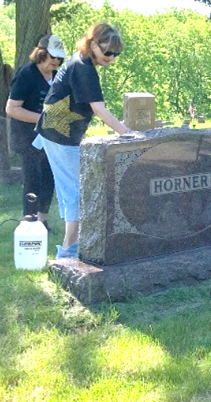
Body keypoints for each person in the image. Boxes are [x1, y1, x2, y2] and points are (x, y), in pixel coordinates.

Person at [34, 22, 135, 258]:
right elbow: (98, 108)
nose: (111, 57)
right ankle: (68, 250)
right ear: (92, 44)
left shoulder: (81, 61)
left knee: (72, 191)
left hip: (56, 134)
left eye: (116, 54)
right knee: (75, 193)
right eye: (107, 51)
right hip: (59, 137)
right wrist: (128, 134)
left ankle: (73, 245)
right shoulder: (83, 67)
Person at [6, 34, 65, 225]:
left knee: (49, 178)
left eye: (59, 58)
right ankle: (30, 223)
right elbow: (12, 109)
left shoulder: (57, 77)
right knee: (33, 179)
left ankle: (43, 222)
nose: (56, 61)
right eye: (52, 56)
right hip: (26, 137)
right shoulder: (26, 74)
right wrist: (43, 119)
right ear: (41, 53)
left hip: (50, 136)